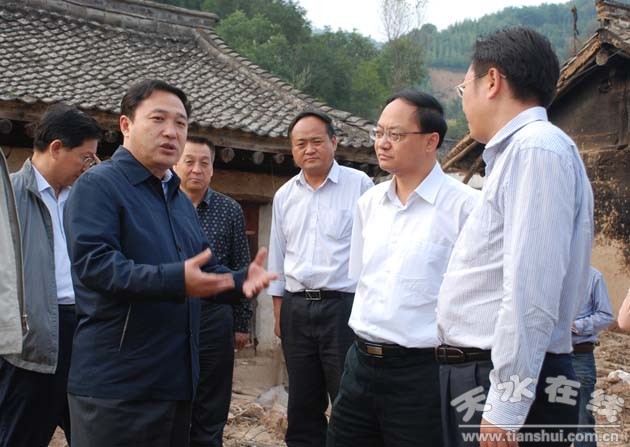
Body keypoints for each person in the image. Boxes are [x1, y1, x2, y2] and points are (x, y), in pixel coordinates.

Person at [63, 79, 276, 447]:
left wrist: (240, 280)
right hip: (118, 386)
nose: (171, 132)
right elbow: (96, 266)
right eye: (158, 119)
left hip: (175, 382)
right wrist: (177, 280)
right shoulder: (99, 185)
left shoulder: (175, 197)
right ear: (126, 125)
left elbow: (201, 267)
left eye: (180, 123)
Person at [436, 27, 594, 447]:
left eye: (463, 87)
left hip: (506, 379)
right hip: (485, 373)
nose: (463, 100)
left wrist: (505, 408)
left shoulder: (535, 149)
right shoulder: (518, 153)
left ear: (492, 81)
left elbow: (531, 290)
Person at [326, 90, 479, 447]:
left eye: (394, 134)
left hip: (423, 373)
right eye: (378, 132)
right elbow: (361, 278)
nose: (382, 143)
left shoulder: (465, 208)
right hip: (360, 364)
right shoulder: (369, 204)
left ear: (431, 141)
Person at [267, 110, 373, 447]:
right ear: (292, 149)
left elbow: (374, 250)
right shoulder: (285, 195)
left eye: (316, 141)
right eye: (301, 144)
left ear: (334, 142)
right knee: (302, 399)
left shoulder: (360, 185)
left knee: (347, 394)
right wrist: (279, 313)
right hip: (296, 308)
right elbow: (277, 257)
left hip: (343, 307)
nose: (309, 149)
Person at [0, 104, 101, 447]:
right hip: (30, 341)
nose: (89, 166)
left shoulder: (85, 199)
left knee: (94, 436)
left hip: (84, 334)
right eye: (85, 157)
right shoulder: (9, 195)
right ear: (56, 147)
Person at [173, 137, 252, 447]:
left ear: (212, 169)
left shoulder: (229, 209)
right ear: (175, 164)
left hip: (214, 315)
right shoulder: (161, 204)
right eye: (189, 161)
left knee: (212, 399)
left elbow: (241, 266)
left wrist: (241, 324)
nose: (196, 169)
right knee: (174, 396)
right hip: (171, 314)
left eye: (204, 163)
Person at [571, 266, 613, 447]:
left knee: (582, 421)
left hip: (579, 354)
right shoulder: (546, 274)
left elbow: (606, 315)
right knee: (544, 419)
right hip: (545, 356)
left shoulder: (593, 277)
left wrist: (576, 326)